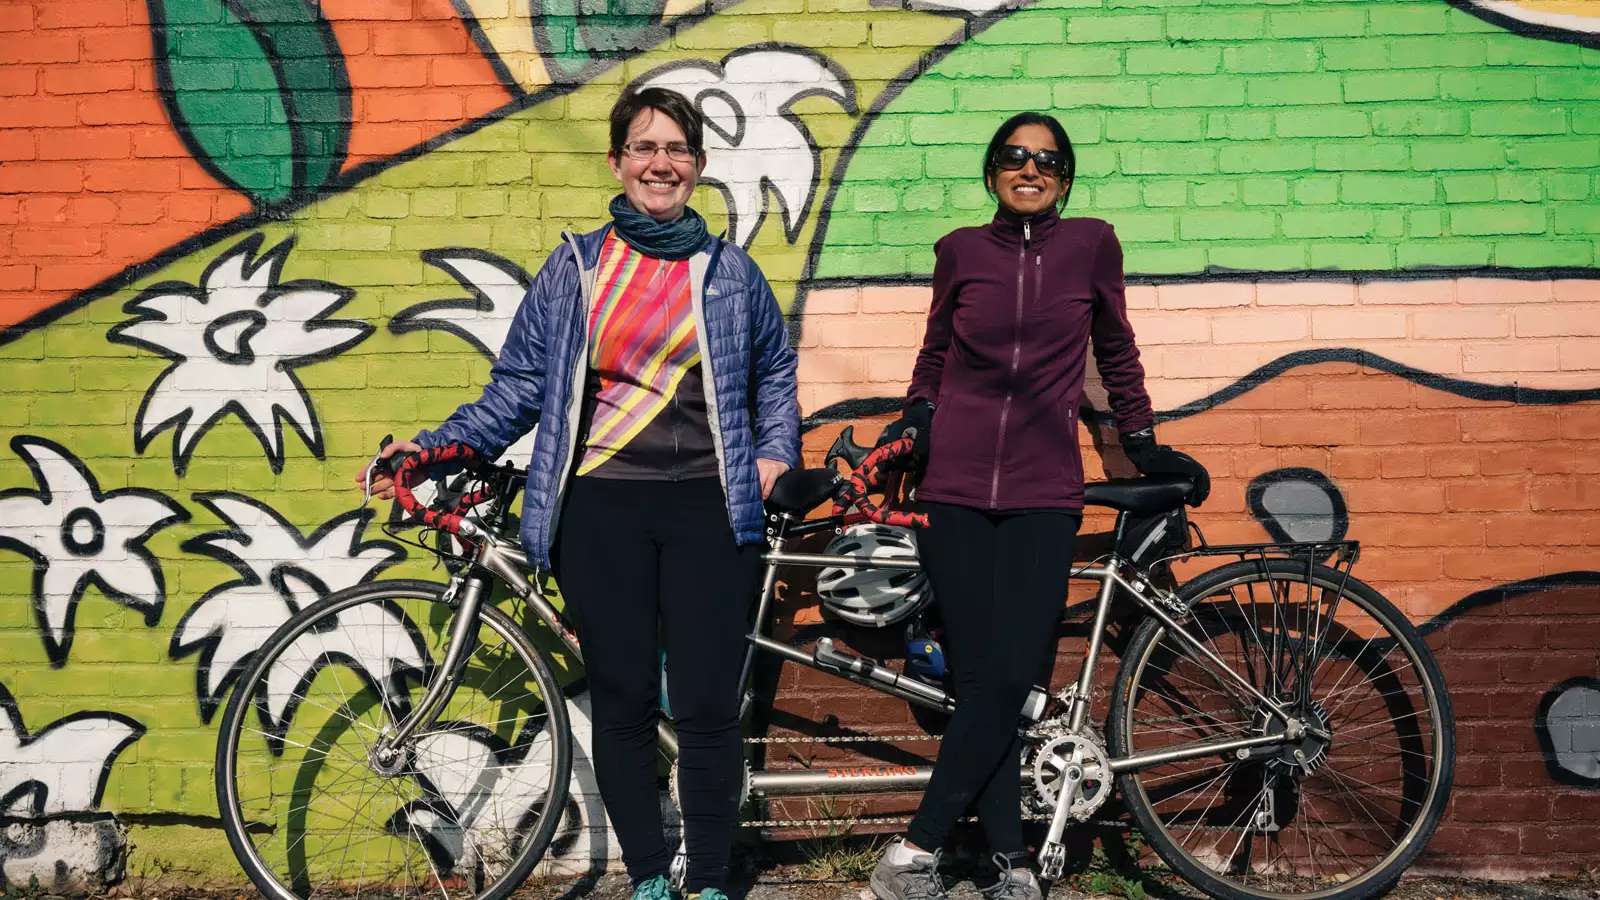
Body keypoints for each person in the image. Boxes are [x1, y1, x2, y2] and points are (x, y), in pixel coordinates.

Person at [360, 87, 801, 900]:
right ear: (617, 162)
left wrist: (776, 451)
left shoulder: (731, 274)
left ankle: (706, 881)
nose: (659, 163)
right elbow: (518, 387)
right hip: (601, 512)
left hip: (711, 507)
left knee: (706, 705)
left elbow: (774, 373)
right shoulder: (575, 270)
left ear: (698, 168)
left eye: (675, 149)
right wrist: (435, 446)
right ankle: (647, 878)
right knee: (626, 701)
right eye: (643, 147)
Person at [868, 112, 1209, 900]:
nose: (1032, 169)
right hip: (951, 489)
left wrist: (1144, 440)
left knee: (1012, 674)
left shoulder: (1092, 244)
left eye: (1048, 161)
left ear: (1065, 178)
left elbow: (1116, 349)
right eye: (1016, 158)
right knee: (982, 680)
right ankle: (1010, 863)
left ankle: (916, 852)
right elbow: (936, 351)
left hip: (1043, 492)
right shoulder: (961, 251)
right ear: (992, 172)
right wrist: (918, 413)